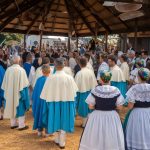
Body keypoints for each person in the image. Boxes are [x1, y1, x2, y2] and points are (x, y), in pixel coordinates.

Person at [79, 70, 125, 150]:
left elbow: (90, 106)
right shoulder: (116, 90)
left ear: (101, 79)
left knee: (96, 135)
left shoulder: (95, 90)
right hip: (112, 116)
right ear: (109, 79)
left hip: (97, 116)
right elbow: (120, 107)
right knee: (112, 134)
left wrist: (98, 106)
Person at [40, 58, 78, 149]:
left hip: (53, 102)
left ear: (55, 66)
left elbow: (44, 95)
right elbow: (75, 92)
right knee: (64, 120)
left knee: (55, 119)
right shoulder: (69, 78)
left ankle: (57, 140)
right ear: (64, 65)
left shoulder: (50, 78)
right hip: (66, 102)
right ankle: (62, 142)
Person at [2, 55, 30, 130]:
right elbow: (24, 84)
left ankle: (13, 124)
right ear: (19, 60)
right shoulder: (21, 70)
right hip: (19, 93)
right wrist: (25, 95)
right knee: (20, 107)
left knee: (12, 105)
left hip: (10, 92)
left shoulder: (8, 70)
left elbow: (4, 83)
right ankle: (21, 125)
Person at [125, 68, 150, 150]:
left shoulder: (134, 88)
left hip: (137, 113)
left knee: (136, 131)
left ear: (138, 77)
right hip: (148, 112)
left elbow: (130, 106)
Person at [75, 57, 97, 127]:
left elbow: (76, 85)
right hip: (91, 92)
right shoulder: (90, 72)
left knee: (83, 108)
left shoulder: (79, 73)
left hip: (82, 93)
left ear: (79, 64)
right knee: (90, 107)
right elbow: (94, 83)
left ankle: (85, 124)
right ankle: (89, 123)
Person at [32, 65, 50, 136]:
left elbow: (35, 92)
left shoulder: (39, 80)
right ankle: (47, 132)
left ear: (42, 71)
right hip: (46, 101)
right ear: (49, 71)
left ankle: (39, 131)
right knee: (47, 114)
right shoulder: (50, 80)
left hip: (39, 101)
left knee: (39, 114)